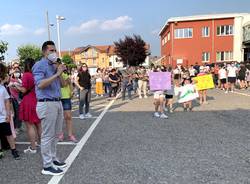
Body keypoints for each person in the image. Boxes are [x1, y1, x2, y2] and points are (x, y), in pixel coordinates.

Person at [32, 41, 67, 175]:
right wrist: (57, 74)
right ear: (44, 52)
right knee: (47, 135)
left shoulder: (54, 65)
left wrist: (60, 71)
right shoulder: (39, 65)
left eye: (55, 50)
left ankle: (53, 158)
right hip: (46, 103)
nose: (54, 53)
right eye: (51, 50)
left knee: (56, 133)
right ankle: (47, 165)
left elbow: (63, 85)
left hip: (57, 102)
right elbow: (40, 85)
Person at [14, 58, 41, 153]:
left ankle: (33, 147)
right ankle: (42, 144)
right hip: (37, 100)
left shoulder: (26, 75)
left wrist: (15, 85)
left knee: (29, 125)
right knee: (38, 124)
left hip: (28, 101)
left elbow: (24, 90)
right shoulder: (36, 75)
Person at [0, 62, 20, 160]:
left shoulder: (2, 89)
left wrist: (8, 114)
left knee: (9, 134)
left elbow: (7, 102)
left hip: (3, 116)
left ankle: (14, 150)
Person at [59, 68, 77, 143]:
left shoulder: (64, 74)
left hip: (66, 97)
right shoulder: (53, 74)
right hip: (57, 97)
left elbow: (67, 84)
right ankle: (60, 134)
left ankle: (70, 135)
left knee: (68, 117)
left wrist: (72, 92)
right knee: (59, 118)